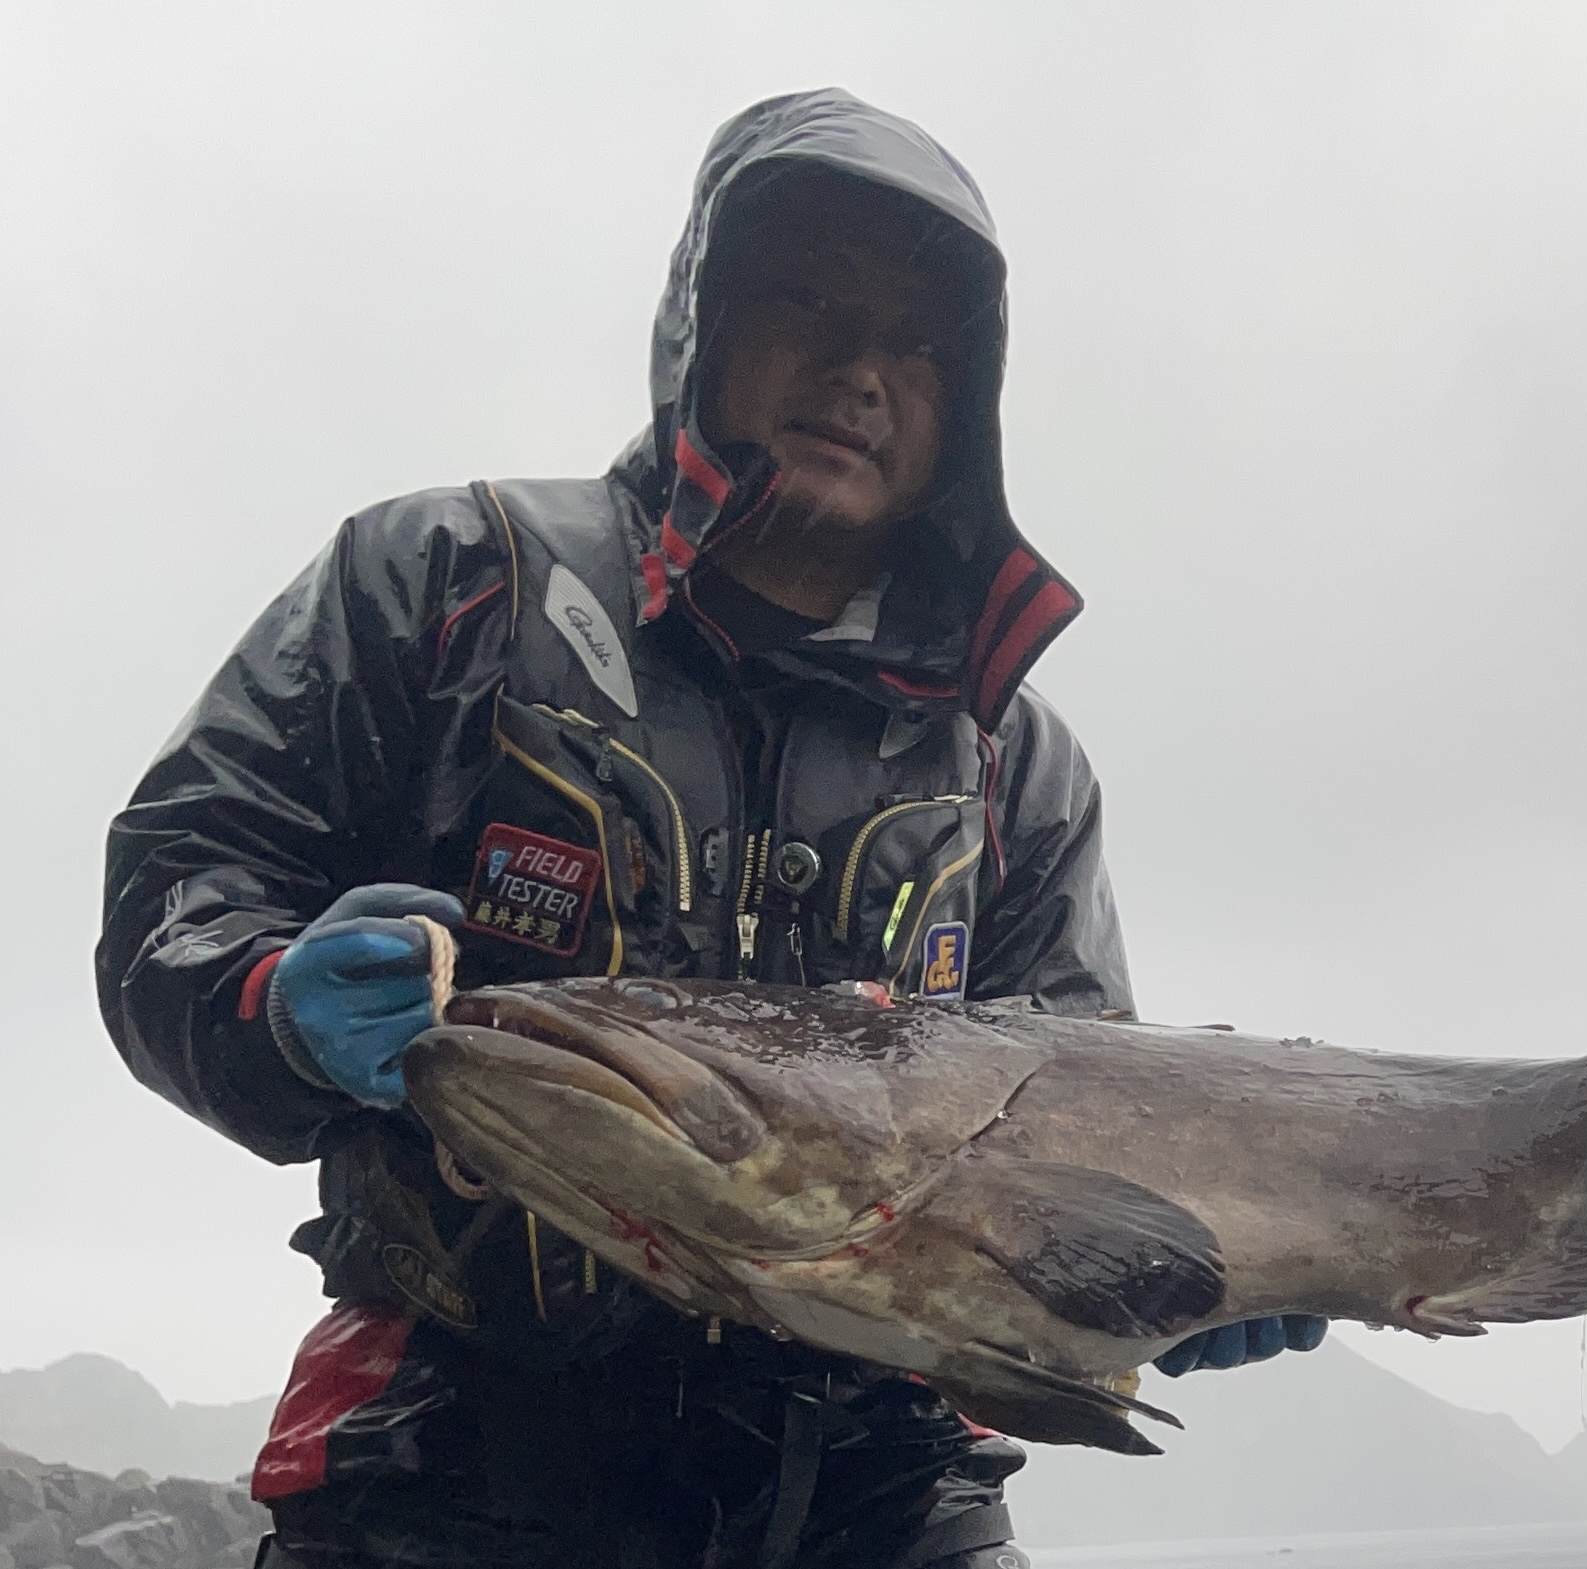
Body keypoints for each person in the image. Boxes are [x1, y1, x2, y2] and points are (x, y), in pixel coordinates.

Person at [96, 89, 1326, 1569]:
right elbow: (179, 885)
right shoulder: (437, 579)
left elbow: (1081, 1116)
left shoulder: (1013, 759)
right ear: (700, 318)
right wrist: (268, 1000)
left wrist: (1171, 1272)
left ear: (966, 400)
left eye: (913, 341)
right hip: (449, 1465)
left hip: (892, 1495)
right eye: (805, 299)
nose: (858, 368)